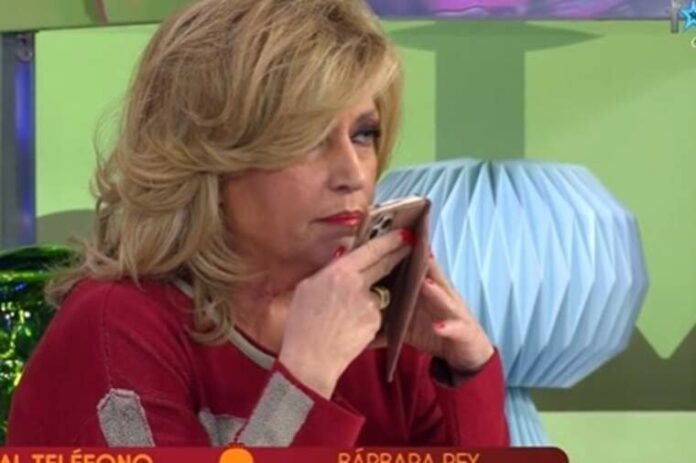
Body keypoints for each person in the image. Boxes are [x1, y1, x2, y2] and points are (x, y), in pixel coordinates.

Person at [7, 0, 509, 447]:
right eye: (307, 138)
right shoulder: (114, 326)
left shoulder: (376, 326)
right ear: (208, 157)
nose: (354, 174)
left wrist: (467, 377)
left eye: (363, 134)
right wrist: (305, 380)